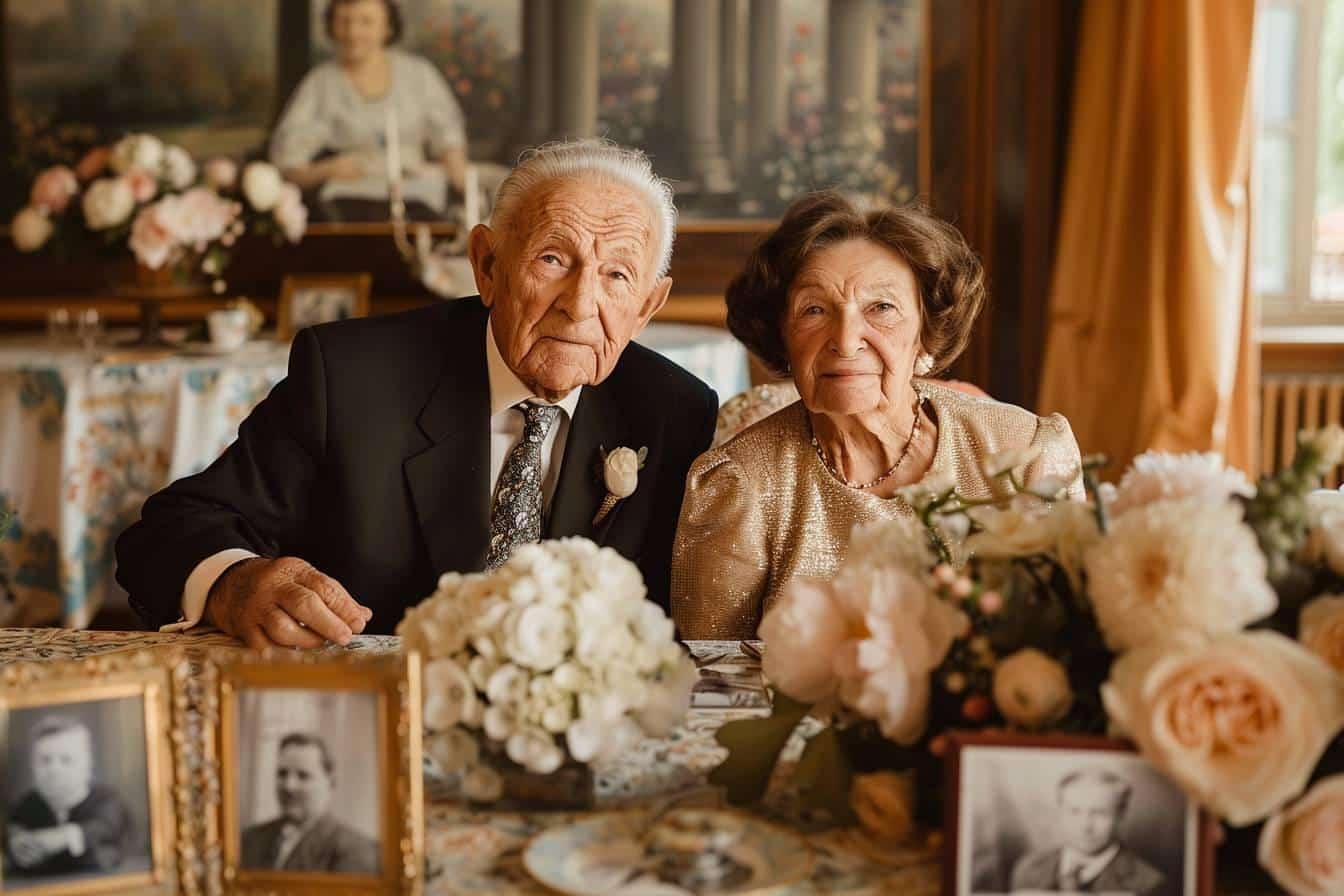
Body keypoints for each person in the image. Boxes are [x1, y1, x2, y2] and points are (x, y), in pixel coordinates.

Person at [115, 140, 718, 645]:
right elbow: (169, 532)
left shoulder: (673, 413)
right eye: (553, 258)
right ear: (486, 265)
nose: (580, 303)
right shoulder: (352, 378)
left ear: (646, 307)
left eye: (617, 274)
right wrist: (233, 582)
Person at [671, 192, 1083, 639]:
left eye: (881, 308)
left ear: (925, 334)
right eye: (814, 310)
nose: (846, 341)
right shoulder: (739, 485)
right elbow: (712, 683)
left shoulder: (1025, 454)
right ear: (783, 337)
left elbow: (1073, 644)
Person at [270, 0, 468, 222]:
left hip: (419, 197)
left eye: (366, 22)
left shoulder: (419, 75)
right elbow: (287, 159)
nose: (353, 33)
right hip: (349, 204)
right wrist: (326, 169)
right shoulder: (320, 84)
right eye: (344, 21)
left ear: (387, 27)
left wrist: (462, 188)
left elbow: (449, 140)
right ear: (331, 26)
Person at [5, 716, 130, 878]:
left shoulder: (107, 801)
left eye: (66, 760)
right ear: (32, 767)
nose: (54, 770)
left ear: (87, 766)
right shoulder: (27, 805)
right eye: (45, 760)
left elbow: (103, 827)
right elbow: (12, 826)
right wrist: (17, 842)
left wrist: (63, 837)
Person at [1010, 769, 1168, 895]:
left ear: (1120, 815)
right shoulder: (1028, 870)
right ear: (1060, 811)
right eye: (1074, 811)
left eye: (1099, 813)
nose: (1085, 826)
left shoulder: (1148, 884)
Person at [240, 733, 379, 874]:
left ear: (330, 782)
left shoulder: (358, 851)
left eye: (303, 776)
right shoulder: (249, 840)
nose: (289, 786)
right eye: (282, 774)